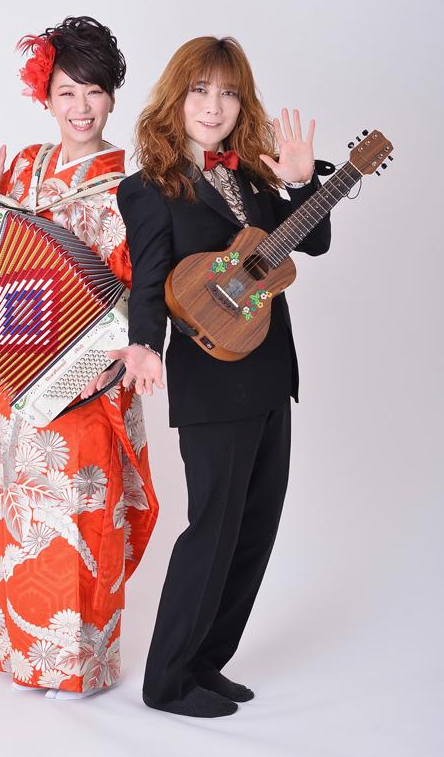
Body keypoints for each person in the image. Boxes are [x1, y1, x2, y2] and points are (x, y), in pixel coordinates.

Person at [111, 36, 332, 717]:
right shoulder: (148, 188)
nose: (214, 106)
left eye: (229, 93)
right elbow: (150, 280)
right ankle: (167, 680)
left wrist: (301, 182)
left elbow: (314, 242)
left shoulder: (258, 178)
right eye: (201, 90)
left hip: (269, 370)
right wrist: (145, 345)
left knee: (255, 528)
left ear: (243, 103)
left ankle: (206, 661)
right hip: (210, 378)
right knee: (212, 527)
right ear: (177, 98)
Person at [0, 16, 157, 699]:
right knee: (22, 512)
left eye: (93, 91)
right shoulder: (25, 169)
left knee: (83, 514)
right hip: (19, 371)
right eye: (67, 91)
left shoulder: (132, 185)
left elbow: (142, 285)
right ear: (47, 97)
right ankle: (20, 656)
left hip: (90, 379)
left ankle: (79, 666)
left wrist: (117, 357)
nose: (80, 107)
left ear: (112, 97)